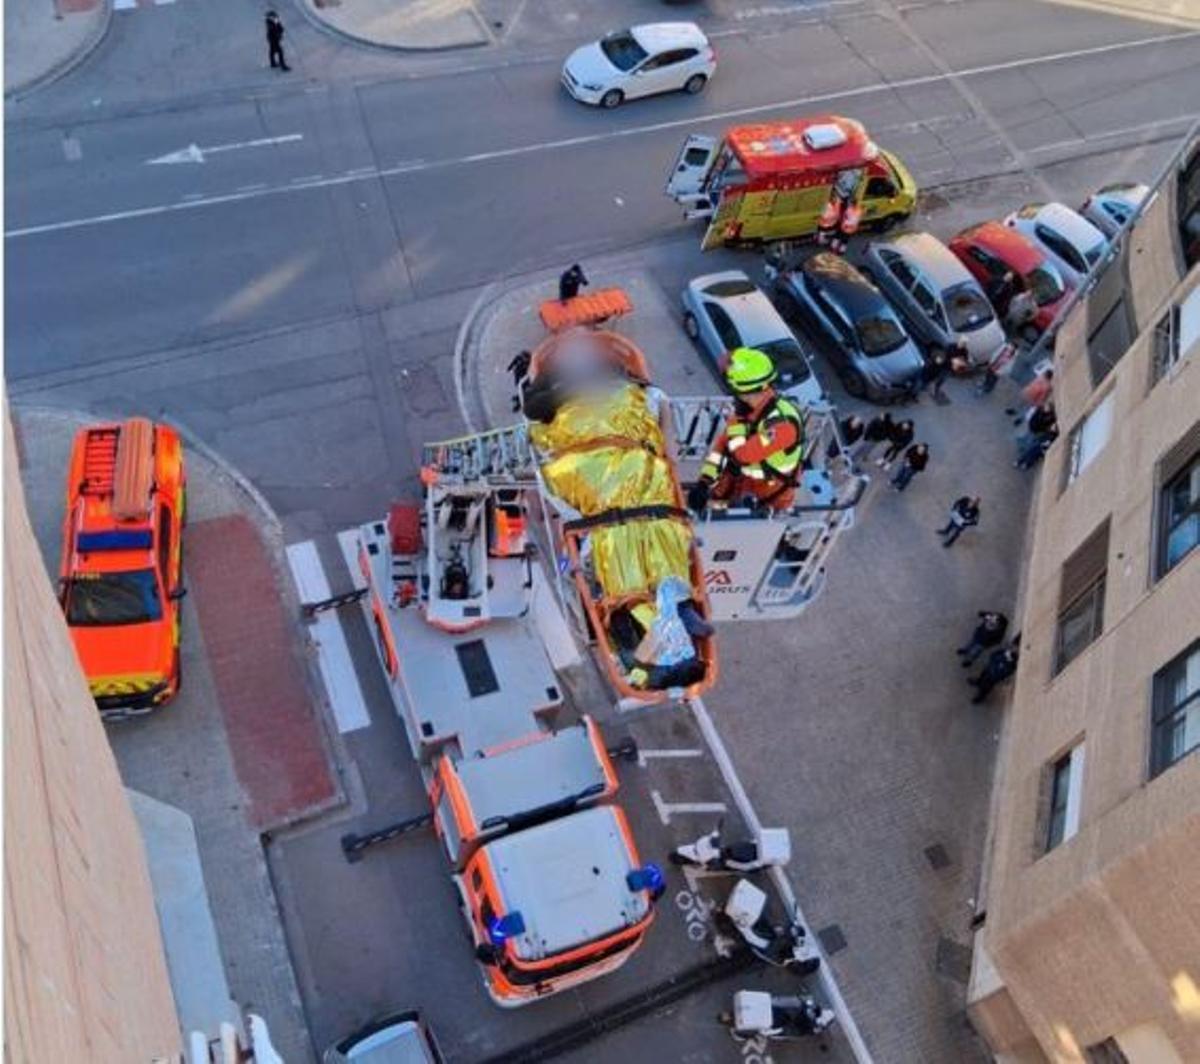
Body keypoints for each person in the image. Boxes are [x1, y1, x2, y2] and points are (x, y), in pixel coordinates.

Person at [688, 348, 806, 513]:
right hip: (741, 487)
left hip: (770, 500)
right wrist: (704, 482)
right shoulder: (746, 411)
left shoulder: (782, 426)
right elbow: (721, 449)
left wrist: (739, 421)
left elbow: (742, 455)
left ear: (746, 392)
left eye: (736, 392)